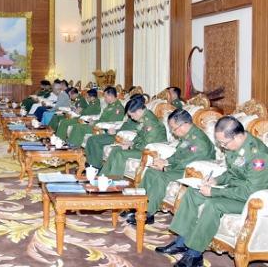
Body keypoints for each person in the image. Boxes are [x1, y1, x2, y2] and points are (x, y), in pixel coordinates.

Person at [157, 116, 268, 267]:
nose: (222, 147)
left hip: (252, 199)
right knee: (193, 193)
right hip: (235, 190)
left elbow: (250, 191)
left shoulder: (258, 155)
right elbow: (232, 172)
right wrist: (216, 181)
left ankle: (194, 255)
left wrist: (214, 192)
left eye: (223, 143)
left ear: (236, 136)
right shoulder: (235, 145)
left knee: (213, 204)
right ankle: (181, 242)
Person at [129, 109, 215, 225]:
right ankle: (137, 205)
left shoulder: (199, 141)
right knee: (150, 171)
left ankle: (148, 213)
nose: (173, 132)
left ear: (184, 125)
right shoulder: (189, 135)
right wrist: (165, 161)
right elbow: (179, 154)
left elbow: (187, 163)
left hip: (194, 172)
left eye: (174, 129)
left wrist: (165, 168)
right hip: (183, 167)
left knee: (161, 177)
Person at [99, 95, 167, 176]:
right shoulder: (144, 117)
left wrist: (130, 146)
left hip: (150, 150)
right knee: (115, 149)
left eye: (131, 115)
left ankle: (115, 181)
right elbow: (139, 135)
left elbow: (146, 145)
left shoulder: (150, 123)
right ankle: (102, 176)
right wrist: (131, 142)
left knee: (120, 154)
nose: (132, 118)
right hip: (142, 146)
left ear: (138, 111)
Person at [84, 95, 142, 169]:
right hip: (117, 133)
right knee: (92, 138)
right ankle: (90, 163)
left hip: (123, 137)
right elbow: (123, 126)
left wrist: (127, 140)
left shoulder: (140, 118)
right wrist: (115, 130)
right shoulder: (132, 115)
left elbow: (136, 133)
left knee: (95, 141)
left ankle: (96, 166)